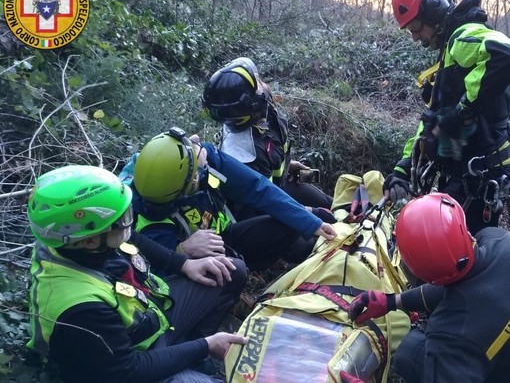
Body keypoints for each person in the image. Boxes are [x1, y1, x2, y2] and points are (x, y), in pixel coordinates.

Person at [27, 165, 248, 383]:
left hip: (150, 321)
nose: (128, 226)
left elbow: (133, 238)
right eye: (122, 221)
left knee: (229, 271)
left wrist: (183, 264)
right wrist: (206, 346)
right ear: (90, 240)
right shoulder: (81, 309)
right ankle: (190, 355)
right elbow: (129, 372)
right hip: (135, 364)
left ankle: (186, 350)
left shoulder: (71, 242)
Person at [384, 0, 510, 235]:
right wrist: (404, 167)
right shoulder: (450, 56)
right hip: (465, 177)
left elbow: (504, 52)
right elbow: (431, 118)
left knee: (462, 258)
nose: (415, 37)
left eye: (415, 27)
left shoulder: (464, 36)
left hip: (477, 179)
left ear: (434, 8)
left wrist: (464, 110)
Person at [120, 127, 337, 271]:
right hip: (205, 258)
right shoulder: (147, 221)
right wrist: (181, 251)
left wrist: (311, 221)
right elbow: (150, 269)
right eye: (195, 153)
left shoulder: (194, 159)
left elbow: (256, 187)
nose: (199, 146)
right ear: (188, 182)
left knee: (290, 222)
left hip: (227, 232)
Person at [347, 192, 510, 382]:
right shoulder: (497, 239)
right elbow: (465, 282)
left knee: (409, 352)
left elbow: (454, 286)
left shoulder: (451, 335)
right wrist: (393, 301)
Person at [201, 56, 334, 218]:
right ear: (253, 103)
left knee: (332, 202)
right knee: (328, 220)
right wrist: (310, 213)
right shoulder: (243, 155)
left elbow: (269, 156)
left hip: (281, 185)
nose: (265, 84)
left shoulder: (262, 115)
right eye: (259, 83)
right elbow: (261, 206)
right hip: (265, 211)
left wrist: (287, 164)